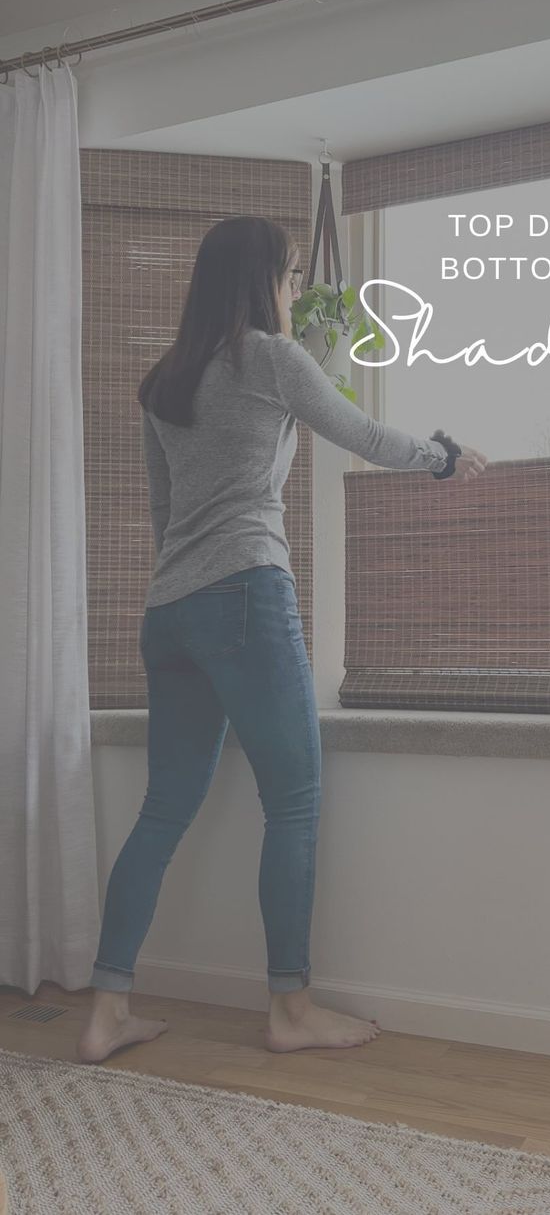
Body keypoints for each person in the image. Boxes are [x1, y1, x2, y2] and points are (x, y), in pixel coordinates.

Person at [78, 215, 490, 1063]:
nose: (298, 291)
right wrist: (443, 457)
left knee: (163, 809)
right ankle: (290, 1008)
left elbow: (164, 517)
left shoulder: (163, 380)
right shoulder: (270, 358)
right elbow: (364, 436)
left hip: (170, 612)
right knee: (294, 799)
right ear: (262, 279)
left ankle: (106, 1009)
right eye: (293, 276)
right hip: (243, 593)